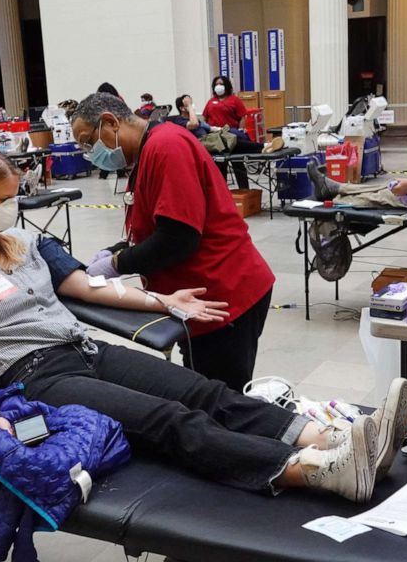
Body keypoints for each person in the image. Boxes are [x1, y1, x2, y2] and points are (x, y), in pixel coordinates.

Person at [0, 144, 407, 503]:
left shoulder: (21, 244)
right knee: (173, 420)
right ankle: (319, 474)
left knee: (203, 392)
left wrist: (163, 300)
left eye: (14, 197)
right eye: (1, 200)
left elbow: (88, 287)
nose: (11, 208)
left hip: (83, 350)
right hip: (34, 377)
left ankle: (331, 440)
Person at [70, 93, 274, 391]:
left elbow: (178, 238)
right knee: (202, 386)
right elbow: (156, 227)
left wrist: (116, 264)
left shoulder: (167, 146)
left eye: (89, 142)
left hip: (223, 294)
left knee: (222, 399)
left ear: (110, 122)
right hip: (195, 300)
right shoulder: (145, 154)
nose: (91, 153)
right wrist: (116, 251)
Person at [95, 82, 127, 180]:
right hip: (119, 127)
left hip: (107, 128)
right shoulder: (119, 99)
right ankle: (121, 172)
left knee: (106, 151)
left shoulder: (101, 102)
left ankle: (103, 173)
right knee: (118, 150)